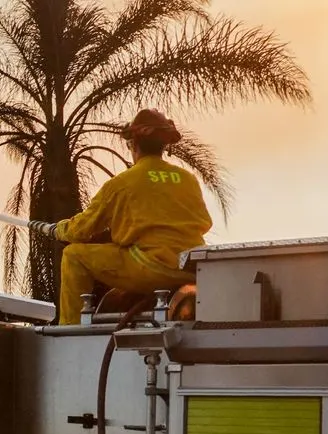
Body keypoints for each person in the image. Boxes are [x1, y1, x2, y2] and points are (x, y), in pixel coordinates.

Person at [30, 109, 212, 324]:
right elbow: (202, 222)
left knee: (74, 255)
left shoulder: (123, 183)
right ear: (164, 146)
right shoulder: (187, 179)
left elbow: (81, 229)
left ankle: (69, 329)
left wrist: (57, 229)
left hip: (152, 267)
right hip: (191, 270)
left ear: (134, 144)